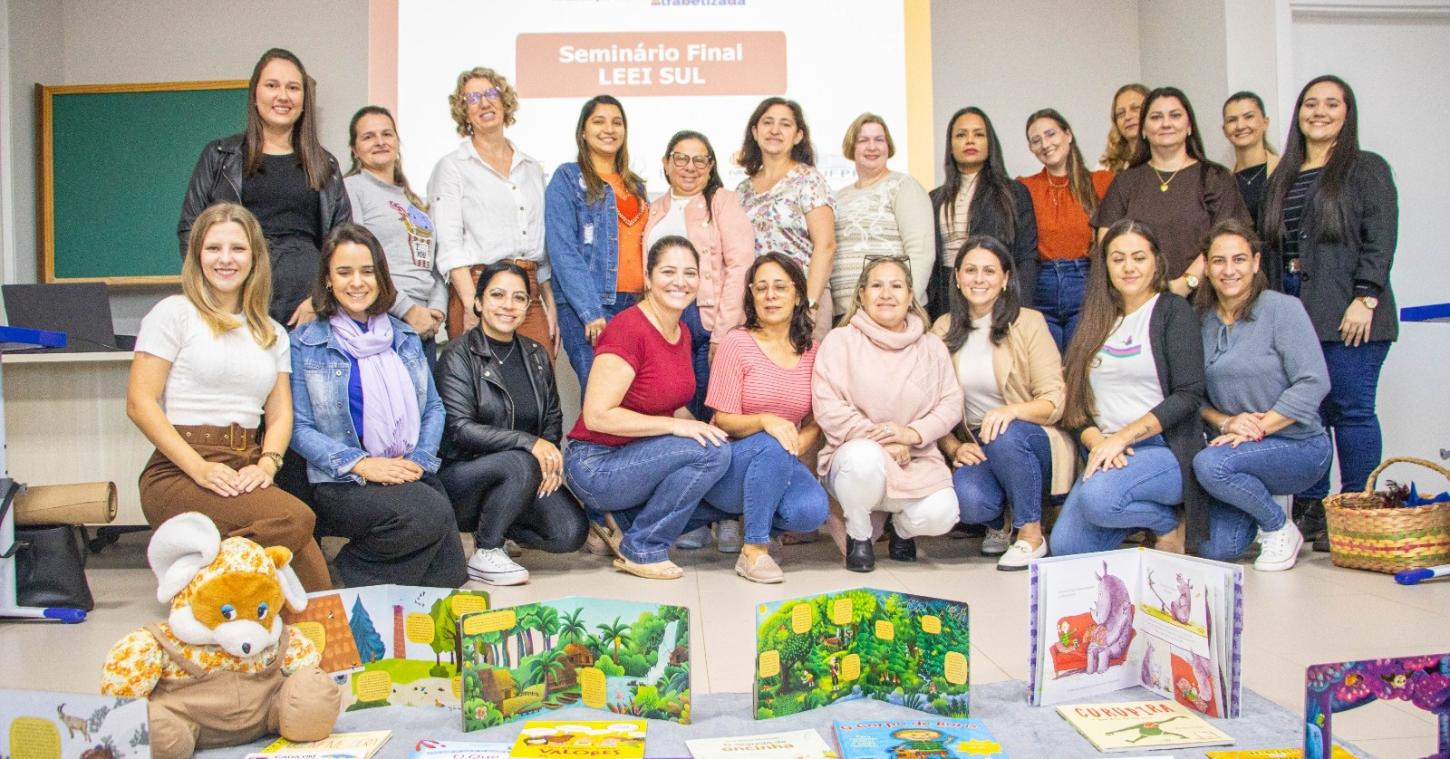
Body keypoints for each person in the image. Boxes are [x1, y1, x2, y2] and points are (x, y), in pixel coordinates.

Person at [129, 202, 330, 591]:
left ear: (255, 258)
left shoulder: (271, 331)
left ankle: (208, 574)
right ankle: (203, 586)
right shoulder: (173, 313)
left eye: (237, 248)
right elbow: (140, 403)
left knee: (312, 579)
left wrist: (268, 464)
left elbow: (280, 414)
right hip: (180, 470)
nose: (225, 259)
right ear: (197, 255)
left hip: (245, 466)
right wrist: (199, 468)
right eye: (213, 248)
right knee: (295, 520)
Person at [1260, 75, 1399, 552]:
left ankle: (1358, 510)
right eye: (1310, 104)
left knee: (1350, 412)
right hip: (1295, 311)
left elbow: (1381, 237)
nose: (1319, 112)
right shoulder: (1283, 176)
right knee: (1307, 415)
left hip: (1350, 312)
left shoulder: (1366, 168)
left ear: (1347, 113)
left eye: (1331, 104)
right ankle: (1314, 512)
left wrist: (1366, 296)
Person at [289, 224, 465, 589]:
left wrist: (418, 461)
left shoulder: (405, 336)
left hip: (405, 466)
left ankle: (362, 580)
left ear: (381, 277)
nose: (357, 282)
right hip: (343, 480)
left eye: (367, 271)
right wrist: (362, 464)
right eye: (344, 272)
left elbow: (434, 408)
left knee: (449, 575)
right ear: (327, 280)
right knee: (430, 513)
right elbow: (298, 428)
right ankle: (341, 583)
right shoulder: (305, 342)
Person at [563, 236, 731, 580]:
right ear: (649, 278)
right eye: (668, 271)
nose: (680, 281)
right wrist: (676, 427)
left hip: (638, 459)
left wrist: (704, 428)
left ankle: (627, 523)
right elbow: (597, 415)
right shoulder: (628, 329)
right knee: (712, 455)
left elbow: (671, 404)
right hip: (596, 464)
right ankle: (641, 547)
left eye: (689, 273)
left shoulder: (681, 331)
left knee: (728, 461)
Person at [1051, 219, 1208, 557]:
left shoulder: (1172, 310)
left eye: (1139, 257)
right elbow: (1075, 405)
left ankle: (1166, 521)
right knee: (1066, 549)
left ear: (1156, 262)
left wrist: (1124, 437)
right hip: (1107, 450)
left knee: (1099, 499)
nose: (1128, 267)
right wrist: (1099, 443)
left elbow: (1189, 394)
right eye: (1117, 258)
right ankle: (1148, 515)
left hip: (1162, 449)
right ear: (1105, 266)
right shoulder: (1094, 319)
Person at [435, 262, 589, 585]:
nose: (508, 305)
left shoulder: (536, 355)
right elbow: (459, 429)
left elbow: (552, 418)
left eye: (519, 298)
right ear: (478, 302)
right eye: (497, 295)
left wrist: (547, 461)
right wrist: (530, 444)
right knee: (520, 461)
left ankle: (498, 526)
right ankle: (487, 550)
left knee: (570, 532)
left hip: (522, 475)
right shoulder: (457, 355)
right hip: (464, 478)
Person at [1192, 221, 1331, 571]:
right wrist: (1227, 422)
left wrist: (1258, 428)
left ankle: (1278, 526)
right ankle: (1260, 503)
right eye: (1219, 261)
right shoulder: (1201, 322)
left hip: (1299, 445)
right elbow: (1195, 398)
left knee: (1209, 465)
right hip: (1237, 448)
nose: (1229, 270)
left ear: (1255, 263)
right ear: (1206, 266)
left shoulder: (1282, 309)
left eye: (1239, 259)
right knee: (1216, 549)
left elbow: (1314, 382)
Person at [178, 48, 350, 327]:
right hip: (235, 305)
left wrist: (321, 298)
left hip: (307, 311)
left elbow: (343, 242)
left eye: (293, 88)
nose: (283, 96)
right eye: (272, 85)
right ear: (255, 95)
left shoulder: (325, 164)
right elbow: (190, 229)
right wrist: (219, 294)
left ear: (304, 100)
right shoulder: (220, 155)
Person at [931, 236, 1073, 570]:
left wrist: (1010, 412)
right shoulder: (943, 328)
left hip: (1030, 436)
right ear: (957, 277)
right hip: (977, 441)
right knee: (969, 501)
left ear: (1006, 278)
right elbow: (929, 404)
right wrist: (953, 447)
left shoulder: (1029, 322)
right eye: (970, 270)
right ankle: (999, 524)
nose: (979, 279)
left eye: (989, 271)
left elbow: (1055, 399)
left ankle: (1031, 534)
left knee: (1004, 434)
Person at [813, 255, 963, 572]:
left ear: (910, 296)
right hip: (856, 460)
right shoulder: (840, 341)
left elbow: (950, 403)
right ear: (861, 295)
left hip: (916, 458)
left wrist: (911, 435)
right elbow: (829, 408)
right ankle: (859, 535)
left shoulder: (931, 346)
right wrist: (884, 442)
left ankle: (901, 530)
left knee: (943, 514)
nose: (886, 294)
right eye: (876, 286)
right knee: (863, 459)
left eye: (896, 286)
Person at [703, 253, 830, 582]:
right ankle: (754, 550)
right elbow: (724, 419)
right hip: (729, 463)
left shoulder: (812, 351)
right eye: (761, 288)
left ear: (798, 295)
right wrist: (765, 421)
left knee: (812, 511)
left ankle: (760, 524)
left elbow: (816, 420)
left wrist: (797, 444)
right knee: (771, 442)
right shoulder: (736, 343)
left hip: (781, 458)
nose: (770, 296)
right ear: (752, 296)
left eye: (780, 287)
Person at [429, 67, 556, 353]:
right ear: (463, 111)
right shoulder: (452, 167)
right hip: (478, 288)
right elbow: (449, 244)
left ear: (504, 100)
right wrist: (472, 303)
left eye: (490, 93)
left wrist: (550, 303)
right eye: (473, 98)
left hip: (529, 291)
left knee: (540, 377)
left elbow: (542, 245)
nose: (484, 103)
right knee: (483, 380)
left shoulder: (531, 168)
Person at [1093, 86, 1250, 297]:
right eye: (1156, 117)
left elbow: (1226, 241)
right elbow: (1107, 243)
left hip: (1204, 299)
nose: (1166, 123)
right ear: (1143, 129)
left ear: (1189, 126)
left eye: (1175, 115)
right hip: (1138, 301)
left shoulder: (1215, 178)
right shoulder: (1125, 181)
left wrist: (1185, 283)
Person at [643, 130, 754, 420]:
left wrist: (723, 333)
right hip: (661, 320)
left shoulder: (722, 201)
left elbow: (740, 266)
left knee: (705, 409)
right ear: (666, 163)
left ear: (711, 166)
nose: (690, 167)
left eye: (699, 160)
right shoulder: (653, 209)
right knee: (667, 404)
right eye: (681, 158)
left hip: (705, 322)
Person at [546, 95, 649, 389]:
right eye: (599, 122)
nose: (609, 129)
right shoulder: (568, 178)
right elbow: (562, 249)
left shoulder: (635, 185)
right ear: (583, 131)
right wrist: (590, 311)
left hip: (637, 306)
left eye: (617, 122)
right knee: (601, 392)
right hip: (591, 305)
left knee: (635, 396)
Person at [344, 106, 445, 371]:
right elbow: (356, 263)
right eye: (368, 137)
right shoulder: (352, 189)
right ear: (354, 149)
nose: (380, 141)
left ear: (398, 142)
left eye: (386, 134)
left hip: (425, 324)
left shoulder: (415, 202)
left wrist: (436, 310)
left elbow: (435, 267)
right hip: (383, 318)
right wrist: (407, 310)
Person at [735, 97, 837, 338]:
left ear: (798, 135)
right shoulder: (742, 190)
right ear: (755, 132)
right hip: (761, 303)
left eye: (785, 124)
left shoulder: (809, 180)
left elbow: (826, 245)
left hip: (804, 300)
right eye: (768, 122)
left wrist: (810, 305)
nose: (775, 130)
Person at [929, 107, 1038, 320]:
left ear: (990, 144)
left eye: (978, 134)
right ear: (950, 146)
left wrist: (1019, 308)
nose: (970, 140)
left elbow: (1027, 257)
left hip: (998, 302)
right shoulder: (934, 198)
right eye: (961, 135)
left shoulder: (1013, 192)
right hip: (945, 302)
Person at [1019, 109, 1114, 351]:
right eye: (1036, 140)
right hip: (1040, 285)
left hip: (1085, 283)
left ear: (1068, 135)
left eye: (1051, 134)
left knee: (1080, 364)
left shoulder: (1102, 182)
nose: (1045, 144)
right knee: (1045, 366)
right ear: (1031, 149)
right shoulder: (1024, 187)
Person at [832, 113, 934, 315]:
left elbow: (921, 253)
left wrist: (905, 305)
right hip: (844, 314)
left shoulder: (904, 186)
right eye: (863, 140)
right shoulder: (838, 197)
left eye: (879, 140)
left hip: (892, 312)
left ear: (888, 146)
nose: (872, 147)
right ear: (852, 147)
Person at [1221, 91, 1280, 228]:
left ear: (1265, 123)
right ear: (1224, 130)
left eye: (1248, 117)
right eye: (1232, 120)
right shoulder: (1223, 182)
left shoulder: (1284, 170)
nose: (1240, 126)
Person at [1098, 83, 1149, 173]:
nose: (1127, 117)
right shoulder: (1105, 168)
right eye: (1121, 113)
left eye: (1135, 109)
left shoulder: (1168, 159)